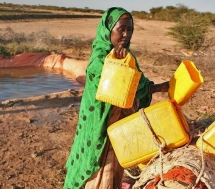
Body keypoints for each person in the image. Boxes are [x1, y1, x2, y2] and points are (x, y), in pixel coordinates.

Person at [64, 7, 169, 189]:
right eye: (121, 29)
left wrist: (162, 87)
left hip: (119, 126)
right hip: (100, 125)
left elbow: (138, 84)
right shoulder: (99, 59)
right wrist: (117, 66)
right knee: (99, 166)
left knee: (115, 168)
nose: (126, 35)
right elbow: (112, 90)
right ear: (108, 30)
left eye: (130, 30)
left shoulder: (128, 57)